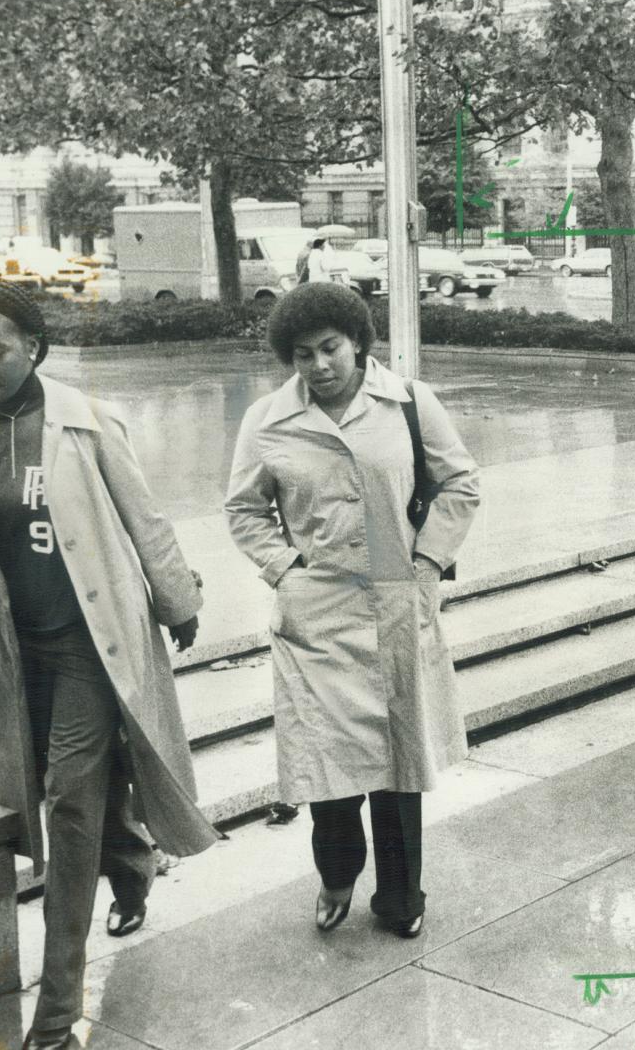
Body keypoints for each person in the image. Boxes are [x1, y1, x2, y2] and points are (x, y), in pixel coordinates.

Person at [0, 281, 220, 1050]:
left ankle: (56, 1013)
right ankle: (129, 860)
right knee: (61, 792)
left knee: (66, 805)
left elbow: (144, 517)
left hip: (92, 647)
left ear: (34, 348)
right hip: (20, 649)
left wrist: (177, 600)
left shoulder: (85, 423)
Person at [224, 282, 479, 939]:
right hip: (316, 617)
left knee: (399, 770)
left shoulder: (410, 404)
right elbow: (245, 510)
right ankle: (336, 876)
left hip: (396, 603)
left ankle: (401, 898)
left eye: (331, 348)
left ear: (358, 343)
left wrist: (426, 564)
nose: (319, 365)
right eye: (302, 354)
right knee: (327, 772)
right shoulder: (268, 421)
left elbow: (459, 483)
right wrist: (286, 570)